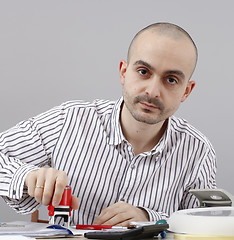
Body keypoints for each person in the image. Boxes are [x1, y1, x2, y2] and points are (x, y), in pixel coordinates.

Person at [0, 22, 216, 227]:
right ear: (124, 72)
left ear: (186, 91)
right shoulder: (70, 120)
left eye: (171, 80)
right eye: (143, 72)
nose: (152, 91)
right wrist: (28, 177)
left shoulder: (198, 152)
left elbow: (203, 225)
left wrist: (149, 218)